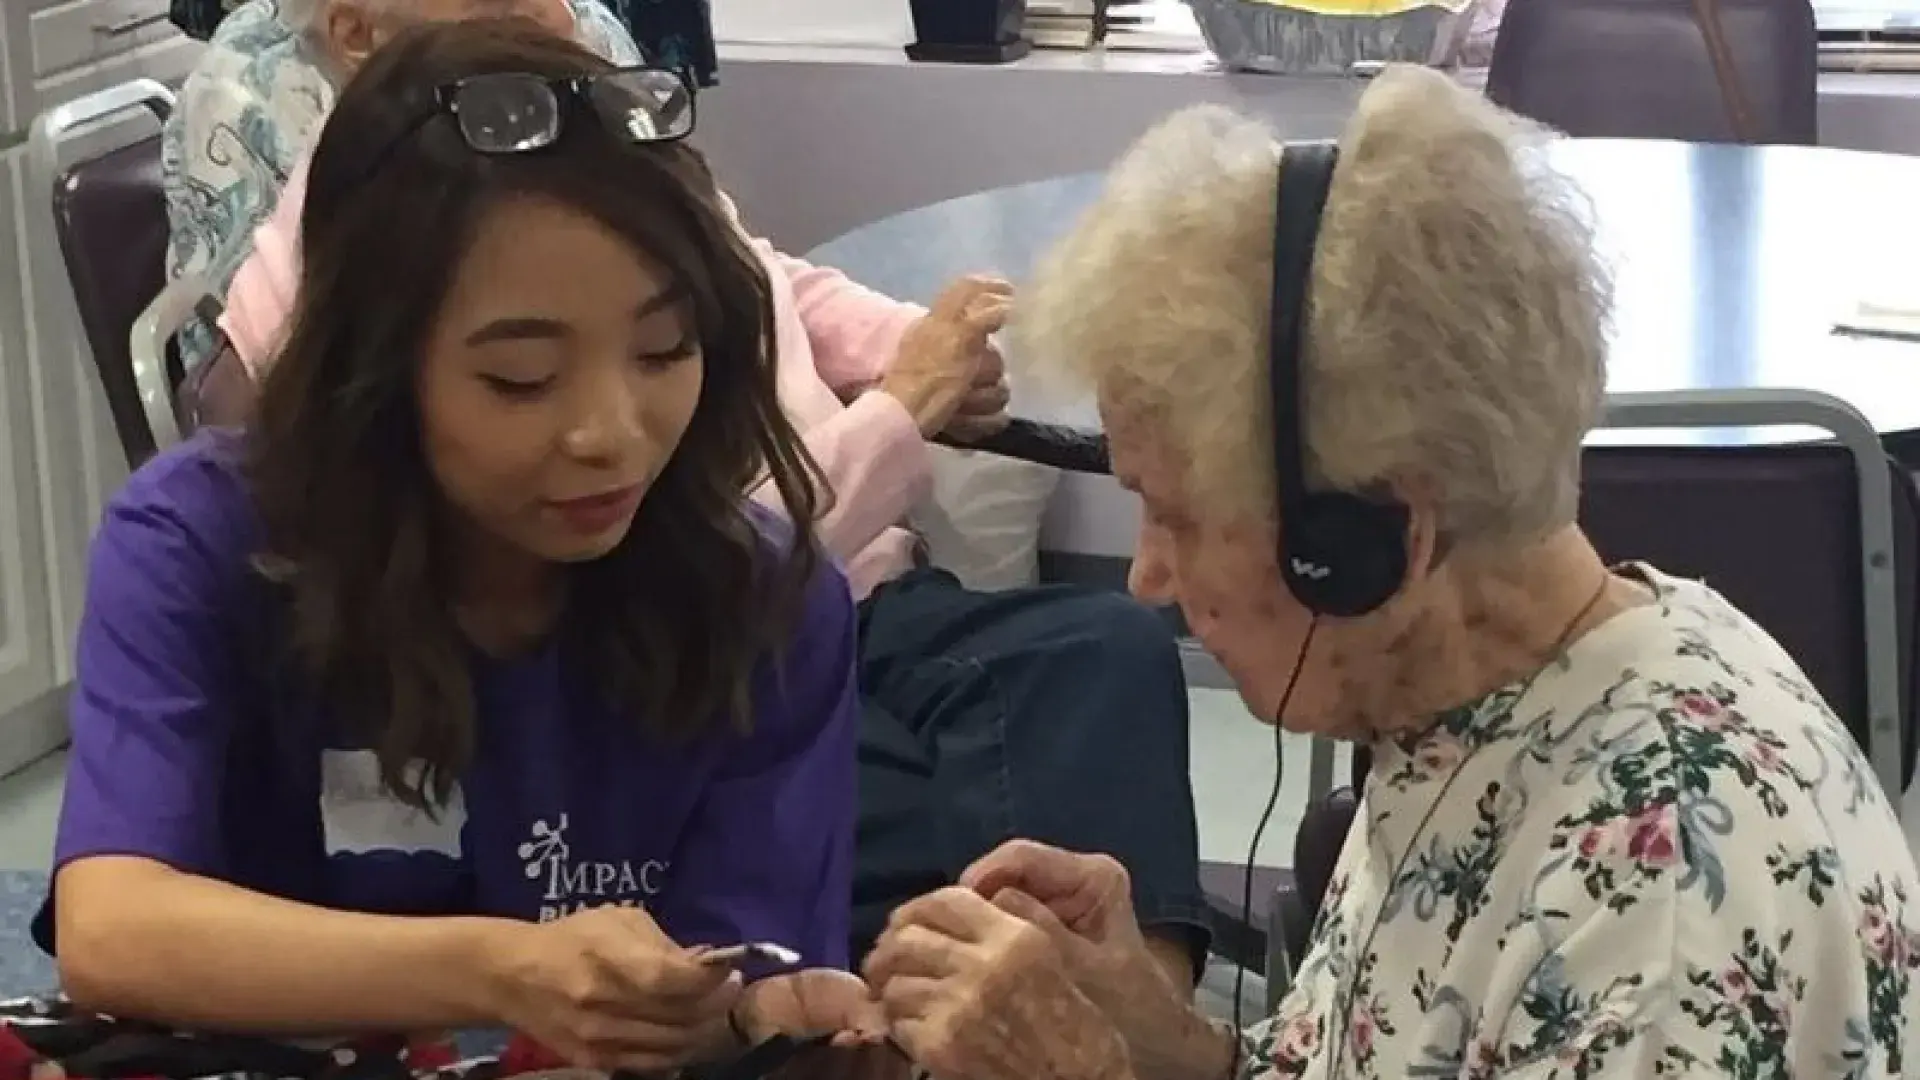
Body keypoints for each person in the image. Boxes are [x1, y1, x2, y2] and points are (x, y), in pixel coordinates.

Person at [862, 65, 1920, 1078]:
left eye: (1175, 518)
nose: (1145, 578)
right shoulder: (1468, 696)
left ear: (1369, 541)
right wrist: (1156, 1039)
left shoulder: (1658, 924)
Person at [200, 4, 1209, 992]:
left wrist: (908, 343)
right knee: (923, 825)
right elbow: (698, 546)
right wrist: (899, 413)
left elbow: (762, 278)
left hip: (845, 590)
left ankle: (1126, 1024)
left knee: (1099, 648)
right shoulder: (340, 277)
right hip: (695, 614)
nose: (554, 12)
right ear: (358, 38)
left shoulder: (603, 155)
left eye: (662, 347)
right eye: (524, 376)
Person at [44, 21, 883, 1072]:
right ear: (378, 372)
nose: (611, 434)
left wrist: (761, 1008)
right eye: (521, 378)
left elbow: (741, 988)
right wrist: (501, 966)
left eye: (666, 350)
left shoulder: (765, 597)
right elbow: (114, 928)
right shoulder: (202, 544)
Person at [163, 0, 640, 367]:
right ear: (357, 36)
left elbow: (696, 235)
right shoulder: (245, 100)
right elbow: (289, 381)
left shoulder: (574, 24)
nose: (553, 19)